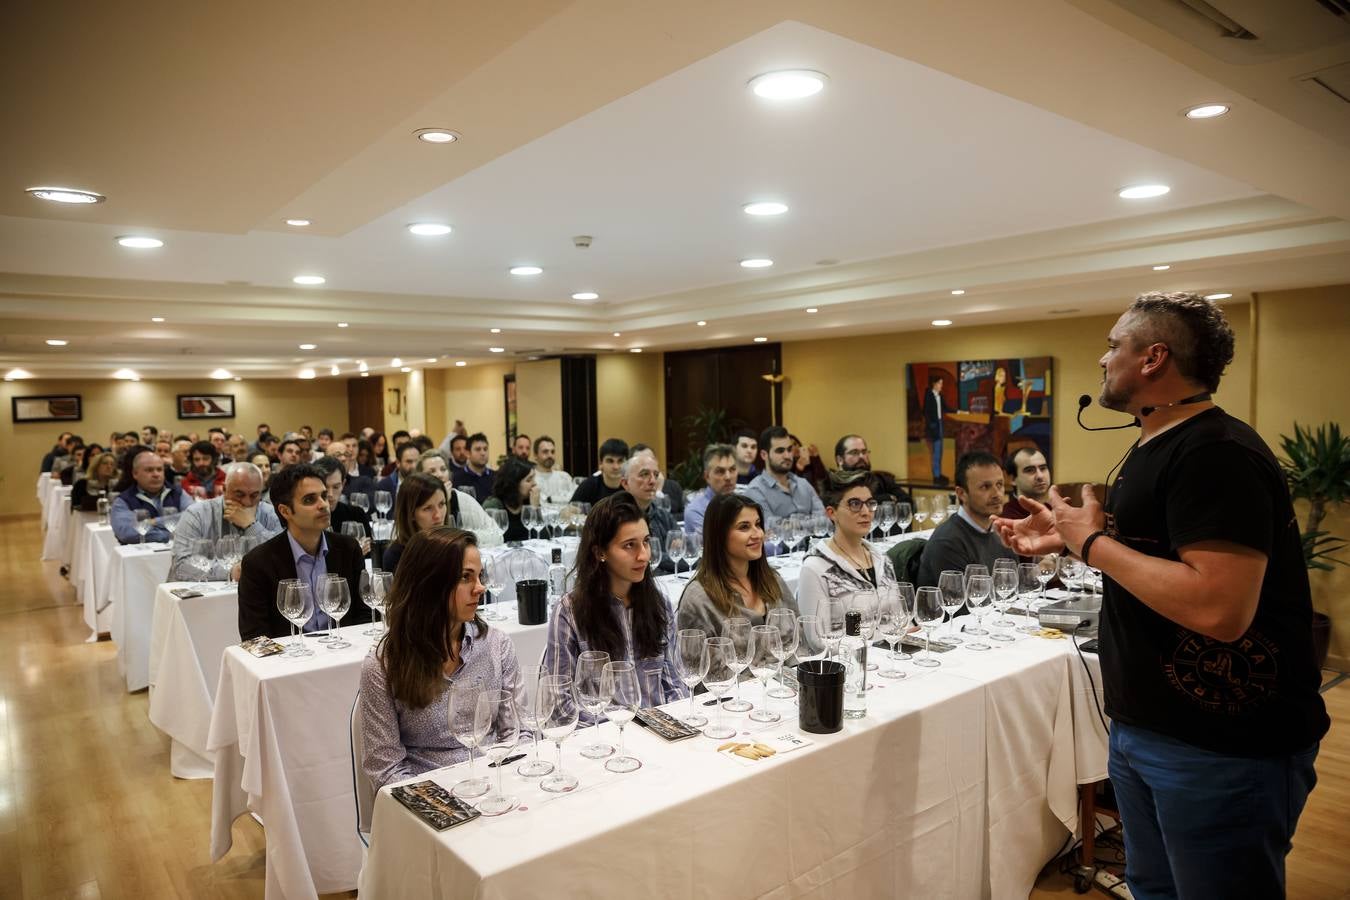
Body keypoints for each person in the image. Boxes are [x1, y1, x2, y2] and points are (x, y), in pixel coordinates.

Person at [993, 291, 1328, 899]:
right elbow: (1161, 554)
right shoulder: (1155, 442)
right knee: (1155, 889)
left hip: (1222, 742)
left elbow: (1218, 609)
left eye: (1113, 344)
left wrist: (1091, 542)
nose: (1102, 358)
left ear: (1152, 358)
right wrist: (1068, 540)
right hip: (1150, 727)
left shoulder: (1216, 453)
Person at [359, 527, 527, 789]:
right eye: (465, 577)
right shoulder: (383, 666)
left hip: (497, 784)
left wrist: (510, 783)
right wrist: (441, 806)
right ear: (429, 584)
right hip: (428, 798)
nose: (480, 588)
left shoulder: (496, 645)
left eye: (479, 576)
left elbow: (518, 733)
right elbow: (386, 768)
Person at [543, 492, 688, 718]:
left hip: (660, 732)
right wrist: (615, 734)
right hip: (600, 740)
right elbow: (559, 702)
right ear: (600, 552)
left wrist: (676, 725)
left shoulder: (659, 604)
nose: (643, 555)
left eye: (646, 542)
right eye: (630, 545)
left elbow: (675, 684)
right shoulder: (570, 612)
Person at [236, 463, 371, 640]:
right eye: (310, 500)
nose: (323, 504)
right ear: (285, 511)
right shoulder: (258, 563)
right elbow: (254, 635)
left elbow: (366, 615)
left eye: (323, 496)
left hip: (343, 650)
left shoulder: (348, 548)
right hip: (290, 659)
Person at [796, 470, 904, 655]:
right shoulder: (816, 568)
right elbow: (818, 640)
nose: (865, 512)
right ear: (832, 513)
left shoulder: (882, 559)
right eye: (854, 504)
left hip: (891, 659)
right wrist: (877, 643)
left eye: (870, 504)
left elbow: (900, 617)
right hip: (846, 669)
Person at [677, 493, 798, 636]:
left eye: (758, 524)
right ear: (719, 535)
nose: (758, 534)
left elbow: (799, 640)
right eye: (744, 527)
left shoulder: (772, 580)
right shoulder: (699, 599)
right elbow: (696, 656)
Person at [915, 451, 1015, 588]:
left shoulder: (1001, 532)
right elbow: (959, 605)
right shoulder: (947, 542)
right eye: (985, 487)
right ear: (961, 494)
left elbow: (1013, 589)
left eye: (999, 484)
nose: (997, 494)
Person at [170, 462, 283, 580]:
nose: (247, 502)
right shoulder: (197, 514)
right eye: (239, 494)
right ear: (224, 489)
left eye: (254, 495)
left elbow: (282, 557)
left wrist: (251, 525)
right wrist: (231, 572)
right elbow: (180, 565)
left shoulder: (270, 513)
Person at [413, 451, 504, 545]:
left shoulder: (462, 499)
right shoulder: (415, 501)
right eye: (432, 471)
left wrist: (465, 537)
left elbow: (497, 534)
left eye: (443, 469)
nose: (440, 474)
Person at [110, 450, 192, 544]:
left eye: (159, 469)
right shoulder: (123, 501)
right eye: (149, 470)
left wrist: (153, 522)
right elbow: (127, 534)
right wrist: (170, 534)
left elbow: (194, 519)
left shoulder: (178, 493)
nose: (156, 474)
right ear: (135, 474)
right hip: (140, 556)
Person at [745, 426, 825, 520]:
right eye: (780, 451)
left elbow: (824, 521)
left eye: (789, 449)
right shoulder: (755, 490)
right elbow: (770, 529)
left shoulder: (804, 484)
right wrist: (811, 522)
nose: (787, 456)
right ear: (764, 455)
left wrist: (789, 525)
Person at [381, 473, 452, 573]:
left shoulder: (454, 546)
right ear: (411, 513)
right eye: (428, 508)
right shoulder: (397, 556)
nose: (438, 515)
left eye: (441, 504)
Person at [620, 450, 676, 573]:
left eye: (656, 475)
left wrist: (659, 557)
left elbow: (682, 555)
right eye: (644, 474)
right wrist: (666, 557)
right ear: (625, 483)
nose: (652, 481)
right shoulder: (617, 519)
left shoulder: (664, 516)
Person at [311, 456, 373, 554]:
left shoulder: (356, 514)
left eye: (336, 487)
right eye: (325, 487)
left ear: (343, 484)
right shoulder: (309, 517)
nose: (330, 494)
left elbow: (369, 552)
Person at [683, 443, 737, 535]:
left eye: (732, 470)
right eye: (720, 471)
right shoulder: (696, 510)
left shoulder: (742, 503)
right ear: (707, 476)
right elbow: (713, 545)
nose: (728, 477)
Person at [482, 458, 539, 542]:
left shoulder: (530, 501)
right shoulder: (493, 504)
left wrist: (535, 508)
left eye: (534, 478)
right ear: (514, 483)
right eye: (529, 480)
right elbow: (488, 540)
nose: (534, 483)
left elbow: (543, 538)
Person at [569, 438, 628, 504]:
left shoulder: (632, 486)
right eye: (610, 461)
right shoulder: (589, 485)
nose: (616, 467)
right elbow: (569, 510)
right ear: (600, 464)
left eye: (620, 461)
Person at [1000, 447, 1051, 520]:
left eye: (1043, 468)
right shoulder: (1006, 517)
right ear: (1012, 479)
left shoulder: (1053, 510)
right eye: (1030, 470)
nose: (1040, 476)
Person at [451, 432, 495, 502]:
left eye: (485, 449)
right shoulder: (457, 478)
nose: (483, 453)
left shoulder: (496, 477)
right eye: (478, 449)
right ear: (468, 453)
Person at [923, 377, 950, 485]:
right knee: (936, 452)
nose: (941, 386)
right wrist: (931, 425)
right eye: (940, 383)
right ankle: (936, 476)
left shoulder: (940, 396)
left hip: (940, 423)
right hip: (934, 425)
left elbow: (946, 408)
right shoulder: (929, 395)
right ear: (934, 384)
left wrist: (959, 411)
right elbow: (925, 411)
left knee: (940, 450)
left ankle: (938, 474)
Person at [532, 435, 572, 504]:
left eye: (552, 452)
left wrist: (550, 499)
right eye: (545, 452)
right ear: (535, 455)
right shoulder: (531, 479)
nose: (550, 455)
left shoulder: (564, 476)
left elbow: (574, 499)